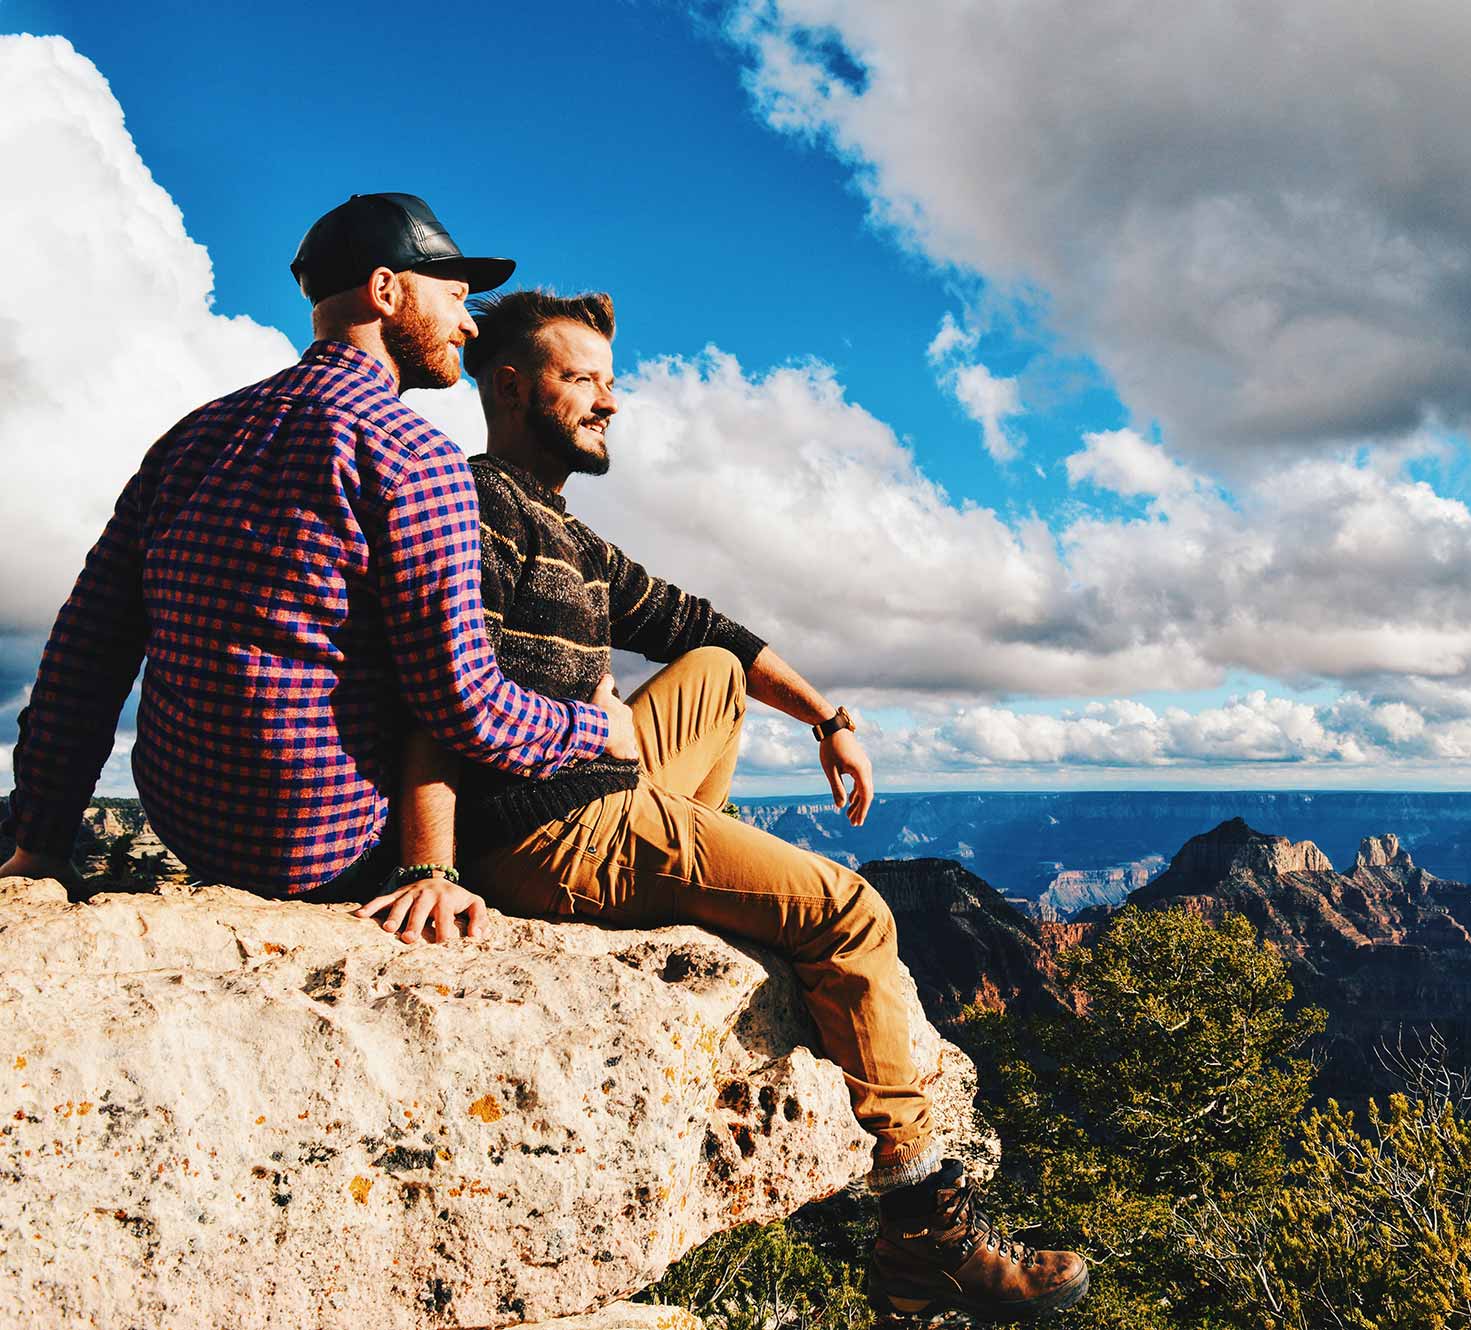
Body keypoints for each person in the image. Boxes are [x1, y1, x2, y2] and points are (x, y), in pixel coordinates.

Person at [357, 289, 1089, 1323]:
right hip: (551, 825)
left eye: (612, 385)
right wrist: (428, 864)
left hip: (597, 788)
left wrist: (827, 717)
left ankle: (702, 871)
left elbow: (706, 625)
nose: (611, 405)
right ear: (513, 387)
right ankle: (925, 1233)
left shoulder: (562, 528)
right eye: (586, 383)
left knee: (702, 664)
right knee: (850, 912)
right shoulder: (476, 509)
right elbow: (429, 695)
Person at [0, 194, 638, 902]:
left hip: (192, 827)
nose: (466, 324)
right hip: (333, 850)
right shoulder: (415, 459)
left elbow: (86, 653)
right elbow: (466, 706)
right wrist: (592, 726)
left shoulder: (191, 438)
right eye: (455, 298)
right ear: (386, 291)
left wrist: (40, 846)